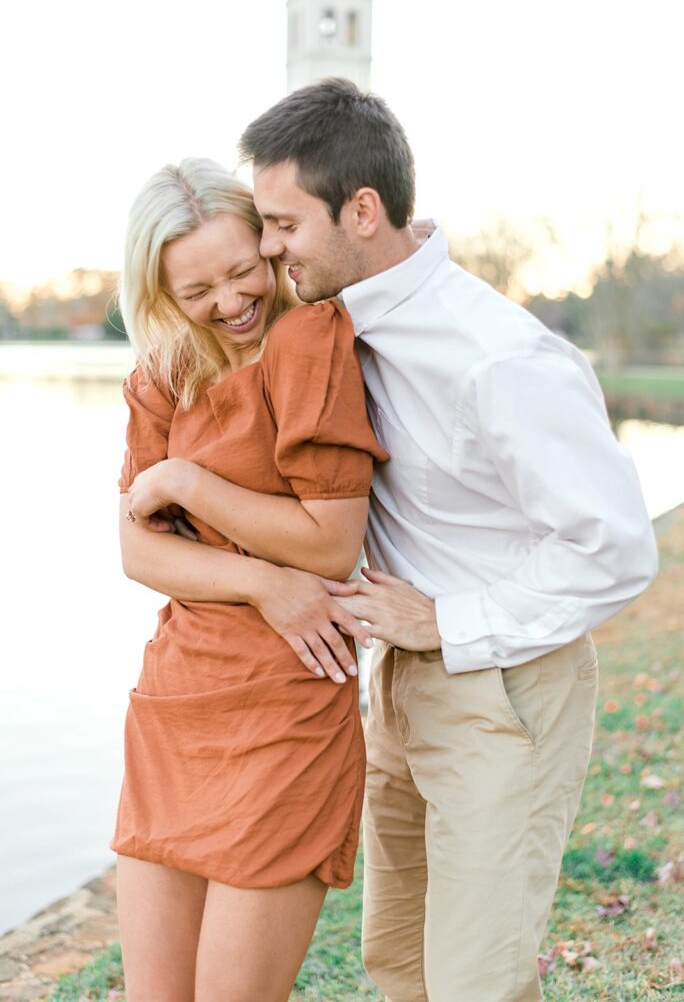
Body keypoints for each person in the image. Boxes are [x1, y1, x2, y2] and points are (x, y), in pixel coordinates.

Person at [237, 78, 659, 1002]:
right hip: (399, 682)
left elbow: (617, 548)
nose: (267, 249)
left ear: (362, 209)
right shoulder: (329, 320)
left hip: (503, 684)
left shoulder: (500, 358)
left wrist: (450, 622)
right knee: (400, 963)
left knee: (477, 980)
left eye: (281, 224)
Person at [111, 156, 389, 1002]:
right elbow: (138, 553)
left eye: (243, 272)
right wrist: (267, 585)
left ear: (271, 248)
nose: (231, 303)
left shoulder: (311, 341)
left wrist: (191, 485)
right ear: (158, 292)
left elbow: (328, 545)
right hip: (178, 701)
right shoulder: (162, 372)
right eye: (198, 290)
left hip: (287, 707)